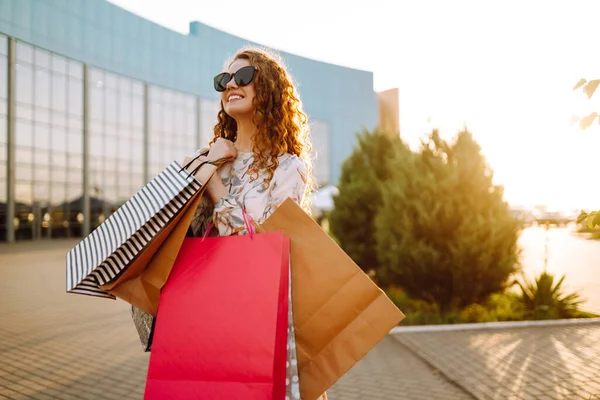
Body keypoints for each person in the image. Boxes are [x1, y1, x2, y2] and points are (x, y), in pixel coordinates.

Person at [186, 47, 326, 400]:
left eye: (244, 76)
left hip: (260, 315)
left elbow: (260, 250)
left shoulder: (287, 168)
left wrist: (214, 187)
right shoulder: (210, 160)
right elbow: (180, 235)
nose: (231, 84)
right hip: (207, 313)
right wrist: (201, 167)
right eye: (224, 80)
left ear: (269, 90)